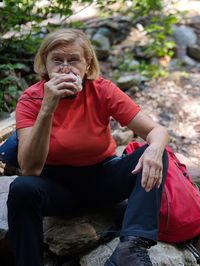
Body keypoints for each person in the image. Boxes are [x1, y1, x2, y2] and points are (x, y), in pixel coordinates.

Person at [7, 28, 170, 266]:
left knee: (154, 153)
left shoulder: (101, 90)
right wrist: (47, 108)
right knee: (21, 188)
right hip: (55, 187)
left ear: (87, 64)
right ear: (45, 64)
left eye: (73, 60)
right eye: (57, 61)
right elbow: (30, 168)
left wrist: (155, 150)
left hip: (101, 179)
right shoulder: (31, 99)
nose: (65, 68)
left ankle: (131, 247)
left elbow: (158, 131)